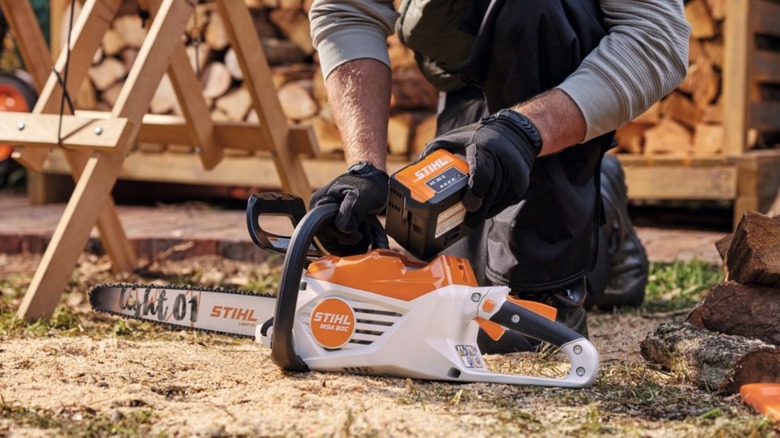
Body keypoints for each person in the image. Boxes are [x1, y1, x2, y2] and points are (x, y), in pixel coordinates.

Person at [307, 0, 690, 351]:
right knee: (467, 283)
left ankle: (548, 291)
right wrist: (365, 166)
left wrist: (527, 130)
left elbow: (658, 39)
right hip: (465, 77)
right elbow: (347, 10)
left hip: (567, 69)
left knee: (517, 286)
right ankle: (602, 199)